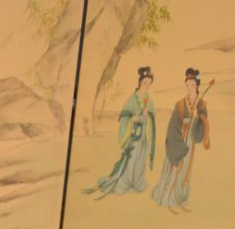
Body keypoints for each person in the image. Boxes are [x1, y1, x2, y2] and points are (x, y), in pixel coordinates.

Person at [86, 66, 156, 197]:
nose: (147, 85)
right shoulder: (132, 100)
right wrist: (138, 117)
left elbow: (152, 118)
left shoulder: (150, 101)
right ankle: (125, 182)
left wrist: (148, 119)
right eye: (145, 82)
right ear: (140, 82)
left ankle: (136, 182)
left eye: (149, 83)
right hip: (134, 136)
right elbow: (124, 118)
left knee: (140, 159)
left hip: (144, 137)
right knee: (131, 159)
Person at [152, 68, 211, 212]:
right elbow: (173, 124)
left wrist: (198, 117)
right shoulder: (179, 104)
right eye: (187, 85)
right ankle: (168, 198)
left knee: (185, 170)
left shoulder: (202, 104)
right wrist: (177, 141)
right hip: (179, 140)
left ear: (197, 86)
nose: (189, 88)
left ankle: (178, 198)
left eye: (192, 85)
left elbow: (205, 121)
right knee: (175, 167)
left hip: (190, 141)